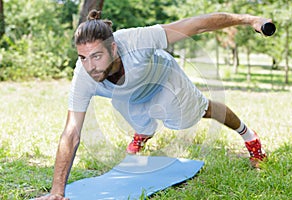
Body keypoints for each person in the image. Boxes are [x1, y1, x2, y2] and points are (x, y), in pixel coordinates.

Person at [36, 9, 270, 200]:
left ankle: (249, 136)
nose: (90, 66)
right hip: (131, 97)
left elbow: (198, 24)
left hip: (165, 81)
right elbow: (72, 131)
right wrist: (57, 192)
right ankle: (144, 132)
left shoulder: (138, 39)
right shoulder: (84, 75)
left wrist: (249, 20)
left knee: (198, 113)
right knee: (138, 120)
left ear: (113, 48)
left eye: (97, 56)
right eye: (83, 58)